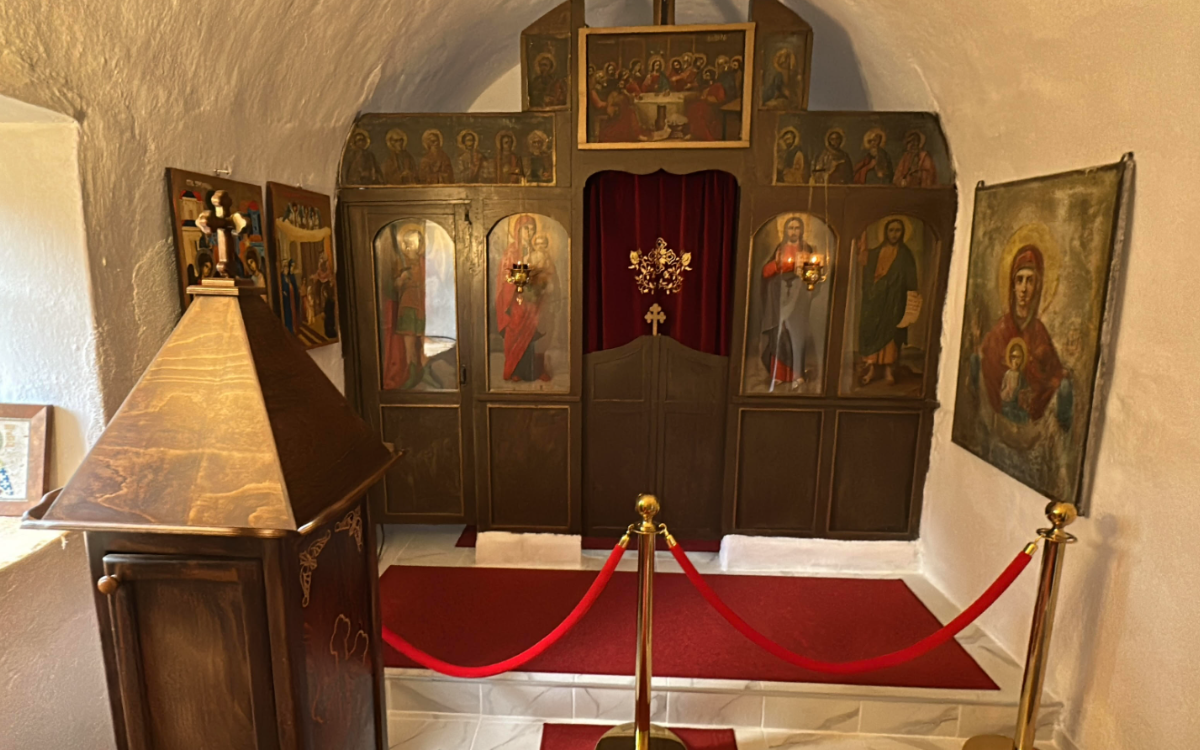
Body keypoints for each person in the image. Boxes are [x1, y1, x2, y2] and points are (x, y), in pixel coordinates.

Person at [979, 244, 1070, 427]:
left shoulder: (1040, 332)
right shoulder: (1000, 330)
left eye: (1030, 281)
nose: (1023, 288)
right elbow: (988, 367)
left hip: (1030, 421)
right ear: (1012, 286)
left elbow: (1054, 374)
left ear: (1037, 287)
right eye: (1019, 280)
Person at [858, 218, 920, 386]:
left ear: (902, 233)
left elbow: (911, 279)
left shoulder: (905, 255)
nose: (894, 234)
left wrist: (912, 296)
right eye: (891, 230)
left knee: (891, 335)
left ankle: (888, 370)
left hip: (894, 301)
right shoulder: (876, 252)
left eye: (897, 230)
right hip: (875, 299)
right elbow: (867, 270)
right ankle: (872, 369)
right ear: (885, 232)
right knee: (872, 331)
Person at [760, 216, 817, 390]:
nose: (793, 232)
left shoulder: (807, 249)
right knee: (779, 335)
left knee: (796, 336)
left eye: (796, 228)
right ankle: (778, 374)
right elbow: (766, 272)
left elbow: (812, 273)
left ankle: (797, 375)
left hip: (798, 299)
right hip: (779, 298)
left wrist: (805, 271)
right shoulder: (780, 248)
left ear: (802, 230)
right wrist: (778, 265)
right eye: (790, 228)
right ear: (785, 230)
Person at [496, 215, 550, 382]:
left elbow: (546, 272)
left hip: (533, 299)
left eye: (532, 229)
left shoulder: (536, 250)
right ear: (517, 231)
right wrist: (515, 284)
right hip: (516, 300)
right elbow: (504, 276)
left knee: (534, 333)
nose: (529, 232)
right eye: (526, 228)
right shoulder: (511, 251)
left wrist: (541, 279)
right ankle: (515, 370)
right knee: (516, 332)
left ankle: (535, 371)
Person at [384, 227, 427, 390]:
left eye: (412, 244)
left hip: (423, 307)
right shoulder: (400, 265)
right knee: (409, 346)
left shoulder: (425, 263)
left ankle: (425, 373)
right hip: (407, 307)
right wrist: (401, 279)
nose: (409, 248)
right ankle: (412, 375)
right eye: (407, 244)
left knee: (425, 343)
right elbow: (393, 287)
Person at [684, 67, 726, 141]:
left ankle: (704, 136)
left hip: (712, 107)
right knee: (692, 109)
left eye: (707, 75)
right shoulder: (704, 86)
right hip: (703, 104)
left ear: (712, 76)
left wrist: (706, 98)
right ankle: (694, 133)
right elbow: (699, 95)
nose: (705, 77)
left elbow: (720, 99)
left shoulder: (718, 86)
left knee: (699, 113)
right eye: (705, 75)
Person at [280, 258, 301, 335]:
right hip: (287, 300)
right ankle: (289, 329)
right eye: (285, 267)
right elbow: (282, 288)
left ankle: (293, 328)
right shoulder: (282, 278)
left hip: (291, 299)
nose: (286, 269)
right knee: (288, 314)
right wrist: (284, 292)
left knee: (293, 313)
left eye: (287, 267)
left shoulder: (289, 277)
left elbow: (293, 286)